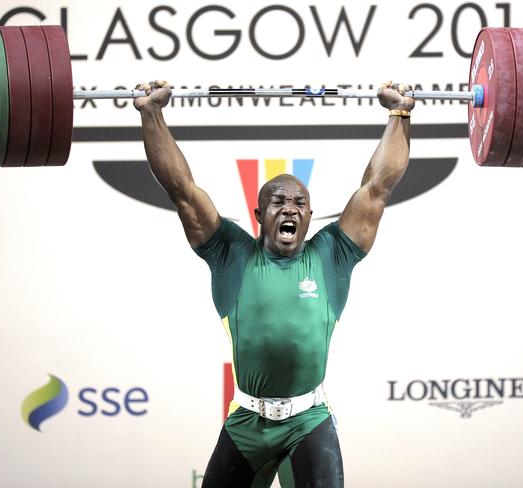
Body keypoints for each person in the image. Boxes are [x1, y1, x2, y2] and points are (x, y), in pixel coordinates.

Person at [134, 81, 415, 487]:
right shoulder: (232, 255)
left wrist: (399, 114)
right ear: (259, 213)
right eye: (278, 202)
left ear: (310, 214)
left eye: (299, 203)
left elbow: (377, 188)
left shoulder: (331, 254)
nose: (290, 208)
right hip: (247, 423)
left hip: (309, 421)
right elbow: (182, 190)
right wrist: (151, 114)